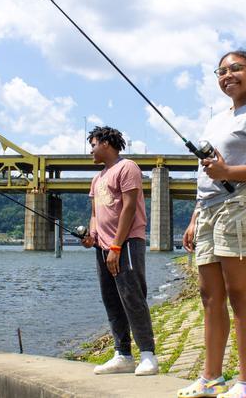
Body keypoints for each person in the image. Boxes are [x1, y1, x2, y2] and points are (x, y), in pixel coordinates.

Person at [179, 49, 246, 398]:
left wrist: (227, 172)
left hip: (243, 204)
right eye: (221, 71)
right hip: (210, 208)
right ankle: (211, 378)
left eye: (236, 68)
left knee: (240, 295)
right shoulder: (216, 120)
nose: (228, 75)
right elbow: (207, 173)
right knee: (210, 297)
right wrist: (196, 216)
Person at [80, 126, 159, 376]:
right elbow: (95, 213)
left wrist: (116, 245)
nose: (91, 150)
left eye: (93, 144)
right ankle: (123, 354)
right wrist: (92, 235)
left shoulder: (128, 168)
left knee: (132, 297)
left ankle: (148, 355)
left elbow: (129, 207)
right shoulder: (97, 178)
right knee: (111, 300)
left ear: (106, 143)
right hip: (104, 247)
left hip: (125, 244)